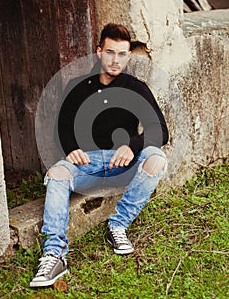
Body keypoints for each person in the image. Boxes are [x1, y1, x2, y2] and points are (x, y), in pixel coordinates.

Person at [30, 23, 169, 287]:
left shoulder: (136, 88)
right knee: (57, 173)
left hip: (124, 164)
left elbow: (160, 130)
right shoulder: (77, 86)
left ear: (128, 56)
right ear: (98, 52)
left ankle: (117, 226)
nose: (115, 60)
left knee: (156, 158)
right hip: (89, 165)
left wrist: (133, 145)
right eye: (110, 52)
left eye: (121, 54)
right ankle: (54, 254)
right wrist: (71, 148)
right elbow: (63, 126)